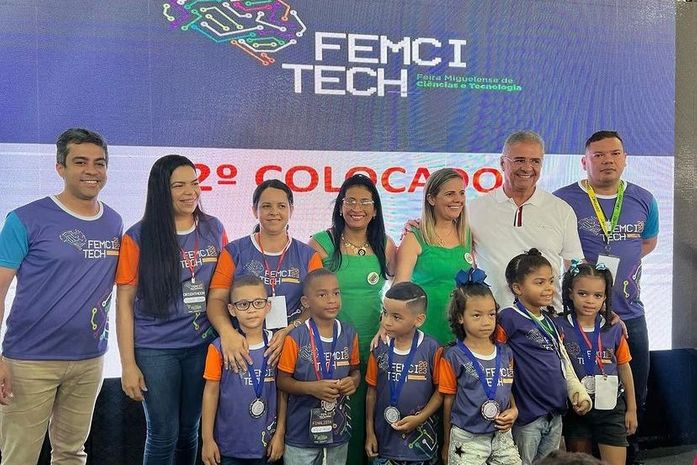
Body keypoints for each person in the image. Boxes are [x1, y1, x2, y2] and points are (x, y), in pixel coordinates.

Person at [0, 128, 122, 465]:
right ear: (60, 167)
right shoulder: (25, 219)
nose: (91, 171)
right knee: (19, 457)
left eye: (99, 163)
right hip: (29, 361)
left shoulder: (114, 221)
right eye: (80, 162)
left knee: (71, 454)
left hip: (89, 359)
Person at [553, 131, 658, 465]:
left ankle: (629, 452)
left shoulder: (644, 199)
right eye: (598, 155)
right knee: (579, 392)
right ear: (584, 162)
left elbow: (647, 243)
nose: (607, 160)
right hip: (581, 317)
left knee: (634, 390)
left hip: (630, 312)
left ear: (625, 159)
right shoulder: (563, 200)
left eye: (614, 153)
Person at [115, 155, 228, 465]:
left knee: (190, 430)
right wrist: (127, 364)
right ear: (161, 190)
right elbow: (124, 302)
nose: (190, 192)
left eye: (194, 183)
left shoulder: (214, 228)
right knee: (163, 433)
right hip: (156, 350)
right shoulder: (138, 236)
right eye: (179, 185)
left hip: (202, 345)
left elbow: (224, 286)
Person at [309, 174, 396, 465]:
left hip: (373, 343)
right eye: (350, 201)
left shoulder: (385, 244)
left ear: (375, 210)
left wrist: (417, 229)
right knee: (332, 416)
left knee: (368, 415)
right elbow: (308, 294)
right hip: (330, 347)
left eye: (365, 202)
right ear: (340, 206)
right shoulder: (322, 243)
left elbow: (402, 284)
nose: (357, 208)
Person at [207, 180, 323, 372]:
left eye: (281, 206)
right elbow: (216, 300)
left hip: (292, 346)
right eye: (266, 206)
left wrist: (290, 330)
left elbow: (317, 305)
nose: (274, 212)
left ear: (291, 210)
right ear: (255, 210)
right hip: (243, 348)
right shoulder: (234, 251)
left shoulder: (308, 256)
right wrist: (227, 333)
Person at [494, 249, 591, 465]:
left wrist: (577, 393)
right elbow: (497, 361)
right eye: (539, 282)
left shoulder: (550, 321)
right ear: (517, 288)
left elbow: (563, 362)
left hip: (554, 412)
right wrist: (509, 405)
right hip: (527, 415)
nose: (549, 288)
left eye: (551, 281)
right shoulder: (509, 318)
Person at [468, 131, 584, 309]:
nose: (527, 168)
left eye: (535, 161)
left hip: (547, 319)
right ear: (502, 163)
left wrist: (599, 306)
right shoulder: (474, 209)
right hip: (492, 319)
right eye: (520, 160)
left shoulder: (561, 210)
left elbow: (574, 266)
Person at [555, 261, 637, 465]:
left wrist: (632, 409)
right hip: (576, 408)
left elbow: (624, 367)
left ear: (605, 297)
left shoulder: (614, 328)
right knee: (579, 462)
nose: (590, 301)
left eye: (597, 295)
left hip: (611, 408)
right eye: (583, 293)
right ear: (570, 293)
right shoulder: (558, 326)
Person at [277, 269, 360, 465]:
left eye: (336, 293)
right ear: (306, 302)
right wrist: (311, 388)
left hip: (338, 433)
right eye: (322, 295)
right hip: (300, 435)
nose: (332, 300)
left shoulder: (349, 334)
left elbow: (355, 371)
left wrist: (353, 381)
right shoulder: (295, 337)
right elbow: (282, 381)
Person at [201, 275, 286, 465]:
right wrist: (207, 440)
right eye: (243, 304)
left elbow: (284, 392)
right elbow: (210, 393)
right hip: (228, 447)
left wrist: (280, 433)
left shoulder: (278, 346)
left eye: (258, 303)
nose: (251, 310)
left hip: (267, 446)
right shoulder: (218, 348)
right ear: (232, 309)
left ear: (268, 306)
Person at [439, 268, 521, 465]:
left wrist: (514, 410)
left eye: (491, 314)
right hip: (466, 439)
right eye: (477, 315)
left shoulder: (505, 352)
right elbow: (448, 401)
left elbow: (506, 386)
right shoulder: (453, 356)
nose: (486, 322)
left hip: (502, 435)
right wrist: (447, 442)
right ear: (460, 317)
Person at [365, 282, 443, 465]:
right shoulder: (379, 348)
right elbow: (371, 392)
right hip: (384, 445)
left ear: (419, 320)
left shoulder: (432, 348)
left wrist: (420, 418)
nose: (387, 322)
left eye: (396, 317)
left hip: (421, 446)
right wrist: (369, 432)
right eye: (385, 313)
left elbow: (441, 392)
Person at [395, 168, 473, 345]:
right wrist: (390, 324)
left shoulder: (467, 234)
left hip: (460, 331)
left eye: (461, 193)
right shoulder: (414, 236)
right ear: (431, 199)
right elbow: (399, 287)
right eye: (450, 194)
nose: (458, 199)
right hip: (424, 329)